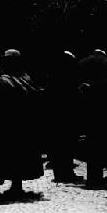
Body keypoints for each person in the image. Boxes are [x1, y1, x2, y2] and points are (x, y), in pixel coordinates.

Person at [0, 49, 44, 195]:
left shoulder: (3, 80)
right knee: (20, 154)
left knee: (12, 155)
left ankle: (16, 186)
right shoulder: (25, 78)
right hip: (24, 124)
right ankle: (17, 184)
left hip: (8, 125)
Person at [78, 49, 107, 188]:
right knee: (100, 144)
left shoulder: (83, 63)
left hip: (88, 109)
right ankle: (97, 178)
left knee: (91, 144)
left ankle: (92, 178)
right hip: (103, 110)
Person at [46, 50, 84, 183]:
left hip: (55, 116)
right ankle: (66, 173)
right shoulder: (68, 78)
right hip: (66, 116)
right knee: (67, 145)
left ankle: (61, 173)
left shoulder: (53, 76)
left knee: (58, 145)